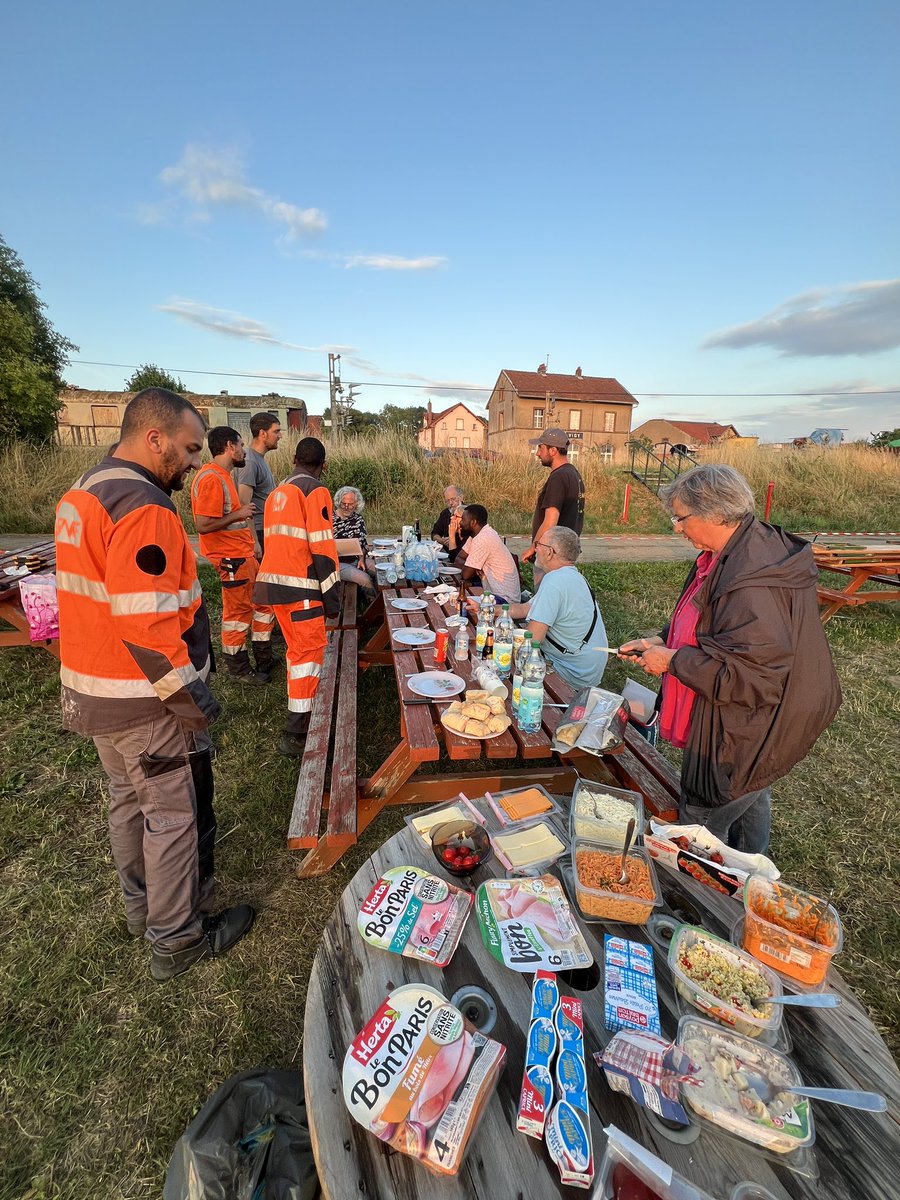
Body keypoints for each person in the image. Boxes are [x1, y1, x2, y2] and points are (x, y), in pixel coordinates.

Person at [54, 388, 255, 982]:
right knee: (170, 815)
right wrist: (186, 697)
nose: (195, 462)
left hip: (92, 690)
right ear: (155, 438)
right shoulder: (145, 508)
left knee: (127, 802)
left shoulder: (84, 492)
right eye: (191, 448)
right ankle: (176, 939)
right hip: (140, 697)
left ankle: (141, 911)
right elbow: (146, 622)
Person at [618, 463, 841, 855]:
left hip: (751, 723)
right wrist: (662, 639)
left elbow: (751, 680)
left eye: (681, 517)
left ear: (717, 513)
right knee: (752, 791)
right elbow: (712, 624)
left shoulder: (752, 581)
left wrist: (672, 662)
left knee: (701, 822)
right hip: (756, 724)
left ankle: (710, 901)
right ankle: (752, 871)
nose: (676, 527)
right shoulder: (729, 552)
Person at [254, 438, 340, 757]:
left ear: (293, 459)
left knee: (296, 652)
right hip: (300, 587)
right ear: (324, 465)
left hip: (273, 586)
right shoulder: (314, 490)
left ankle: (301, 718)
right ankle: (297, 734)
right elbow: (322, 547)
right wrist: (332, 598)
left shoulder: (277, 492)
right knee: (308, 654)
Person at [190, 426, 277, 684]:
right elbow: (203, 524)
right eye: (240, 445)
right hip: (230, 559)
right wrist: (238, 515)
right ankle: (239, 669)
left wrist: (252, 544)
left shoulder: (224, 475)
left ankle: (264, 657)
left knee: (263, 605)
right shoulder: (211, 479)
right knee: (237, 615)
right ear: (229, 446)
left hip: (243, 555)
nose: (244, 451)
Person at [505, 526, 608, 688]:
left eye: (539, 544)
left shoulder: (554, 581)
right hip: (586, 669)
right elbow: (526, 608)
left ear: (549, 552)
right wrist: (488, 607)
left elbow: (532, 642)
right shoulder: (572, 576)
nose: (536, 548)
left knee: (502, 668)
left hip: (571, 673)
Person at [522, 428, 585, 587]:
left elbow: (551, 520)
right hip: (565, 552)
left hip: (551, 553)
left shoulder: (558, 477)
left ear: (553, 450)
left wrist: (533, 547)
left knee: (546, 598)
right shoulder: (574, 474)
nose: (537, 453)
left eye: (540, 448)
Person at [236, 412, 283, 558]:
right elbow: (244, 504)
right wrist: (254, 541)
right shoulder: (250, 462)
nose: (280, 435)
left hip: (266, 530)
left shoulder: (258, 459)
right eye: (276, 431)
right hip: (258, 532)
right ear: (262, 433)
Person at [456, 504, 522, 602]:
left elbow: (466, 575)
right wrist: (471, 567)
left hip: (505, 600)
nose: (460, 523)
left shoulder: (483, 538)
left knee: (459, 603)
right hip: (492, 589)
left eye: (463, 520)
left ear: (473, 522)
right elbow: (458, 559)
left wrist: (470, 568)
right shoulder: (476, 535)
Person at [332, 485, 376, 602]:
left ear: (356, 505)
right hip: (337, 563)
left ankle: (383, 599)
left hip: (356, 559)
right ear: (339, 502)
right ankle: (372, 605)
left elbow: (363, 544)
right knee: (365, 578)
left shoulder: (358, 519)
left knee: (380, 570)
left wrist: (362, 559)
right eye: (344, 503)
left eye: (350, 504)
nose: (347, 507)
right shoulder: (329, 520)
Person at [430, 484, 470, 562]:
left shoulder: (469, 514)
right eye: (448, 500)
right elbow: (434, 534)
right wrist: (443, 541)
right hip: (450, 555)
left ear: (461, 497)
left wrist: (453, 540)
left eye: (453, 499)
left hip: (464, 558)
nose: (451, 503)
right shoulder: (445, 513)